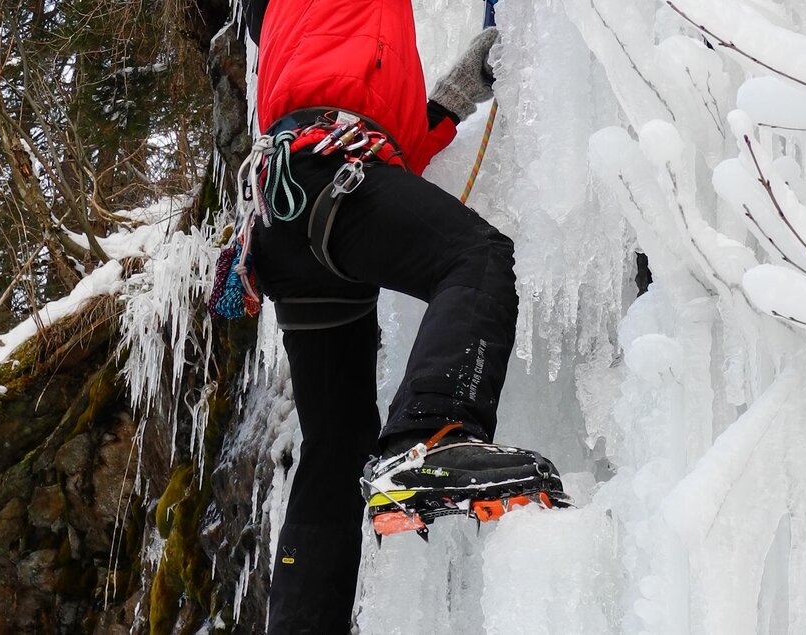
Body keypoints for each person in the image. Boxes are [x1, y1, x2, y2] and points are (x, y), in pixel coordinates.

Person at [238, 1, 568, 632]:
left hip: (290, 211)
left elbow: (397, 148)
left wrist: (451, 99)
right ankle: (433, 435)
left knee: (336, 448)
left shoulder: (307, 47)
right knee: (479, 259)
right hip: (328, 171)